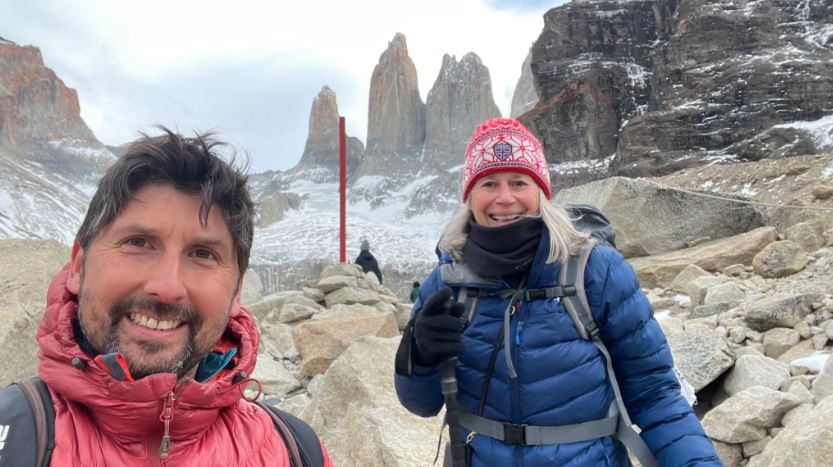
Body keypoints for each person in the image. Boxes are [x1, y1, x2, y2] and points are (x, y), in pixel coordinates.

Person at [394, 118, 720, 466]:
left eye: (519, 182)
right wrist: (419, 354)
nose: (505, 199)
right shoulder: (446, 282)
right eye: (489, 183)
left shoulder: (596, 271)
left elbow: (654, 394)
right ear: (471, 196)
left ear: (540, 192)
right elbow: (421, 404)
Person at [10, 128, 334, 465]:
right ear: (79, 265)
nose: (167, 287)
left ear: (237, 290)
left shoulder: (296, 451)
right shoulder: (13, 436)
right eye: (138, 242)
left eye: (203, 254)